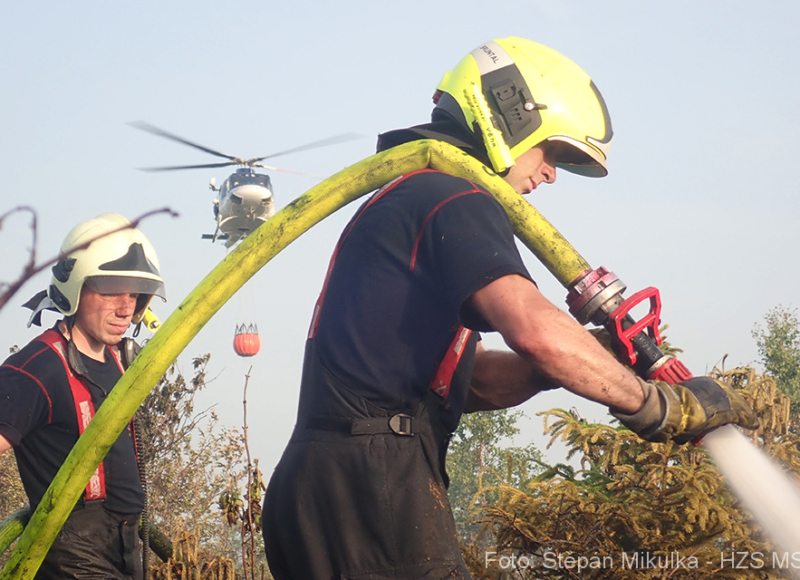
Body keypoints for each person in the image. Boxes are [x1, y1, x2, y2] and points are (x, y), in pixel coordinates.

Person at [262, 37, 758, 580]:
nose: (549, 176)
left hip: (320, 484)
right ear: (510, 117)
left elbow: (471, 383)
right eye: (554, 154)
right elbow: (534, 328)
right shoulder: (454, 196)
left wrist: (591, 356)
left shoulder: (408, 197)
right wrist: (654, 404)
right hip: (373, 482)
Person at [0, 213, 166, 580]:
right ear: (75, 288)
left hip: (126, 545)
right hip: (70, 556)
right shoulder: (36, 368)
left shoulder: (123, 362)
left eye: (135, 294)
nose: (125, 307)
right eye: (111, 291)